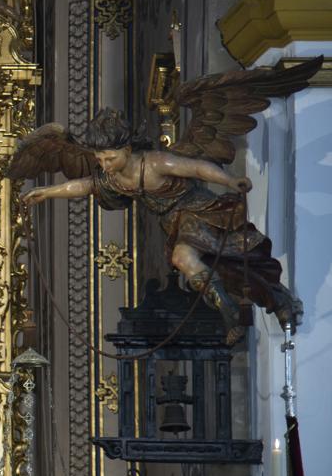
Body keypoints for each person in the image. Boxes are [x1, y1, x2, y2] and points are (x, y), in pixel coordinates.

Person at [19, 108, 297, 344]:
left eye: (110, 158)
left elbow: (197, 169)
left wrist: (229, 181)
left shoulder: (154, 163)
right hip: (175, 224)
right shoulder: (115, 178)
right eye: (100, 160)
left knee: (188, 258)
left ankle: (230, 312)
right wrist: (47, 192)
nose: (104, 165)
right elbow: (84, 185)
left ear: (127, 150)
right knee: (230, 268)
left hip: (200, 212)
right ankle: (275, 299)